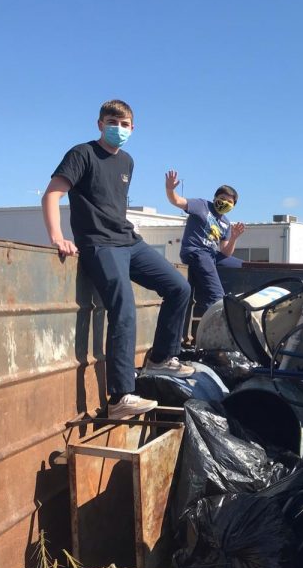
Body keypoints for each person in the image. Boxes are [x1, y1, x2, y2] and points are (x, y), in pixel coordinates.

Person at [42, 100, 193, 420]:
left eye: (125, 125)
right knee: (123, 308)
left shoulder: (127, 161)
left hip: (129, 241)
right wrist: (57, 236)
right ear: (99, 124)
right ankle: (121, 396)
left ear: (132, 129)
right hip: (99, 244)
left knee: (179, 287)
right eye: (113, 122)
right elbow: (52, 194)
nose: (119, 129)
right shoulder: (82, 154)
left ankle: (162, 358)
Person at [165, 171, 245, 322]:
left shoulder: (226, 223)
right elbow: (177, 201)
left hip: (211, 254)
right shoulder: (202, 205)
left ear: (233, 205)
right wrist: (170, 189)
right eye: (222, 199)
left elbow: (225, 252)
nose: (224, 203)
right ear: (214, 198)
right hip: (195, 251)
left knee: (243, 265)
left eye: (229, 202)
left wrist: (233, 237)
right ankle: (215, 320)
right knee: (215, 293)